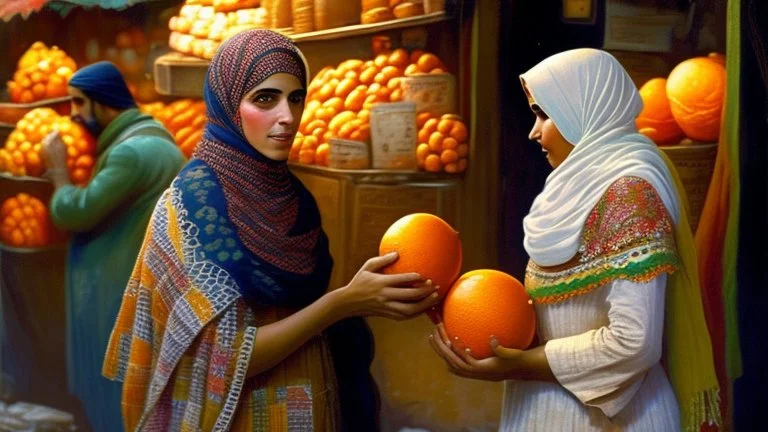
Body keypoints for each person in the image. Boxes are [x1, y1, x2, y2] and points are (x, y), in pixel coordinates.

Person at [102, 29, 439, 431]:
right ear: (228, 104)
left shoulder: (291, 198)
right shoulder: (189, 208)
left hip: (312, 405)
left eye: (296, 98)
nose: (288, 117)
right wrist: (342, 304)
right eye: (265, 98)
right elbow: (226, 360)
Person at [429, 48, 721, 431]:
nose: (534, 132)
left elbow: (635, 343)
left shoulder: (630, 193)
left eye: (544, 114)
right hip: (550, 410)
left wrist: (521, 365)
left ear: (585, 110)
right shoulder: (570, 191)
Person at [41, 61, 186, 432]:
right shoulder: (148, 138)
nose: (74, 115)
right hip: (136, 285)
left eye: (78, 103)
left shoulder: (130, 154)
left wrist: (58, 173)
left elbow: (78, 212)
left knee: (113, 387)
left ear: (102, 102)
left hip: (118, 289)